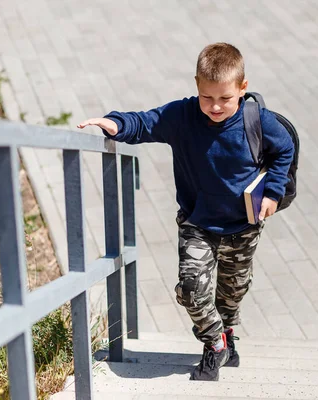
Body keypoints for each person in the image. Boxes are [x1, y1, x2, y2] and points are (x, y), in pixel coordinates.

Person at [77, 42, 294, 381]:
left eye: (225, 98)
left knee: (231, 291)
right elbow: (146, 122)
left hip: (244, 224)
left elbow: (284, 151)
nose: (216, 106)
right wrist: (116, 123)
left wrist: (273, 193)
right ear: (196, 85)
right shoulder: (183, 116)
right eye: (207, 98)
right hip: (198, 222)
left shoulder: (258, 121)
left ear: (242, 87)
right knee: (192, 289)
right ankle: (215, 343)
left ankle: (228, 335)